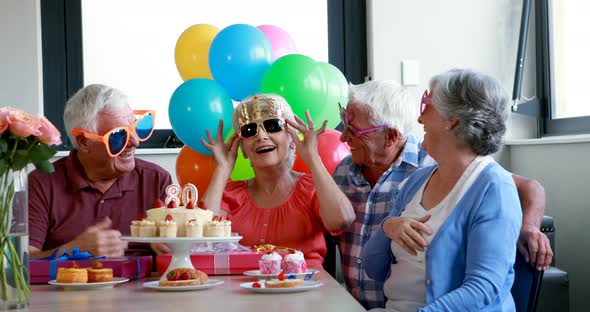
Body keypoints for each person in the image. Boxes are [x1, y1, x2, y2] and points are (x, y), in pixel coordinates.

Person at [332, 80, 551, 309]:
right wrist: (389, 227)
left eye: (427, 103)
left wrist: (529, 228)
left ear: (452, 120)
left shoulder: (493, 186)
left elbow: (483, 288)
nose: (419, 118)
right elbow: (374, 267)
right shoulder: (417, 180)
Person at [200, 94, 355, 268]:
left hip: (305, 291)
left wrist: (313, 157)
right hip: (243, 292)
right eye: (249, 130)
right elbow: (200, 237)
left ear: (292, 139)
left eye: (272, 125)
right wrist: (222, 168)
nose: (261, 136)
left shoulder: (312, 188)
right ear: (243, 148)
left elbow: (342, 220)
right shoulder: (232, 194)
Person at [28, 84, 172, 258]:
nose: (135, 142)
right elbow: (22, 264)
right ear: (83, 142)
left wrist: (172, 247)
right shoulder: (41, 184)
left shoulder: (156, 180)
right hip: (70, 284)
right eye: (119, 135)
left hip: (143, 283)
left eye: (136, 129)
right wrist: (74, 250)